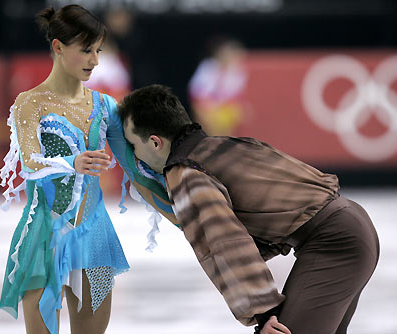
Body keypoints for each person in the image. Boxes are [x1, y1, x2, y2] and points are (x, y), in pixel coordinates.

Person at [118, 84, 380, 334]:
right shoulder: (225, 145)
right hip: (353, 224)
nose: (133, 155)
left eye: (133, 145)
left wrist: (264, 312)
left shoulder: (186, 172)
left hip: (336, 243)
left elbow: (224, 242)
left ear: (154, 142)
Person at [0, 5, 172, 334]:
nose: (94, 60)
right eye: (86, 50)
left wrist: (185, 217)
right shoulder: (29, 103)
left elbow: (137, 171)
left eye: (98, 51)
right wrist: (71, 162)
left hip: (95, 239)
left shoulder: (105, 105)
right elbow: (32, 163)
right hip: (42, 238)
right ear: (58, 47)